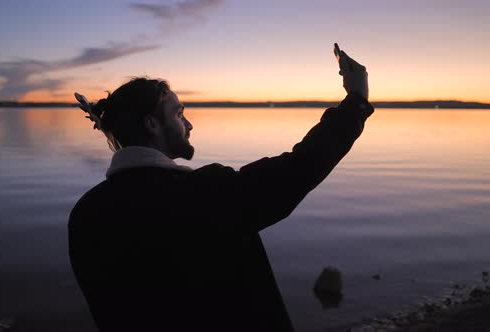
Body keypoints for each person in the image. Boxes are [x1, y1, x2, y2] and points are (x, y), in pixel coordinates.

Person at [68, 43, 373, 332]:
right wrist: (356, 101)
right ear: (151, 124)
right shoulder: (200, 194)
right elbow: (299, 167)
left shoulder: (85, 213)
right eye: (179, 113)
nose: (189, 125)